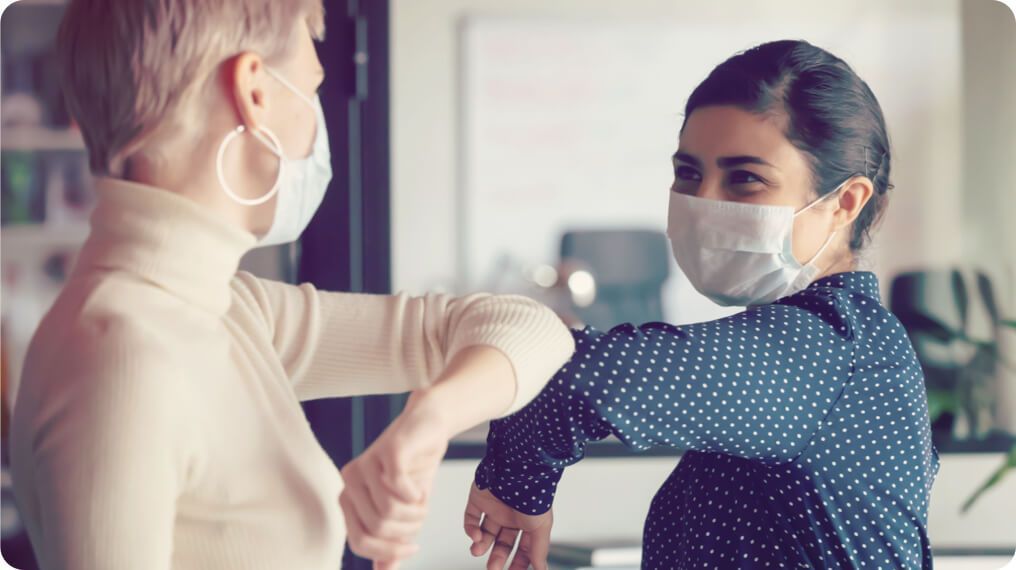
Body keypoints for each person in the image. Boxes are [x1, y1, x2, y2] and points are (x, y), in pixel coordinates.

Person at [8, 1, 575, 569]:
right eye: (312, 88)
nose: (315, 121)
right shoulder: (122, 353)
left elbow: (532, 327)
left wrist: (427, 421)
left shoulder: (226, 309)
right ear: (254, 92)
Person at [460, 40, 939, 569]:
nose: (705, 202)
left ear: (845, 204)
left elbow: (576, 379)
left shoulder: (828, 346)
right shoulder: (834, 350)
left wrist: (515, 487)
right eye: (689, 173)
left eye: (746, 179)